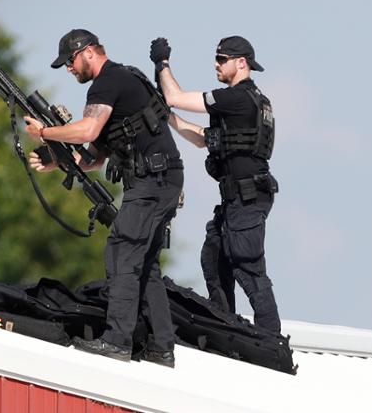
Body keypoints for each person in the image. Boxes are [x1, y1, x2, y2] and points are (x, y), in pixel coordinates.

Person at [25, 29, 183, 367]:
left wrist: (44, 132)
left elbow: (87, 131)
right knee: (146, 263)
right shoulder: (121, 81)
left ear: (88, 53)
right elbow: (94, 156)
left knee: (122, 252)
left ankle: (116, 342)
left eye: (70, 61)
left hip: (152, 180)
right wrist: (55, 160)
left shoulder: (108, 82)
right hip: (160, 179)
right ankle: (161, 346)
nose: (69, 69)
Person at [150, 36, 281, 333]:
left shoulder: (237, 98)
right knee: (214, 258)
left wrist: (162, 63)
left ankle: (271, 340)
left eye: (222, 59)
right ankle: (227, 328)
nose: (216, 64)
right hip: (238, 200)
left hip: (247, 198)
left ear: (241, 63)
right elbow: (201, 138)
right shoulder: (246, 103)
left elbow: (175, 96)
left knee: (247, 268)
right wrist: (167, 116)